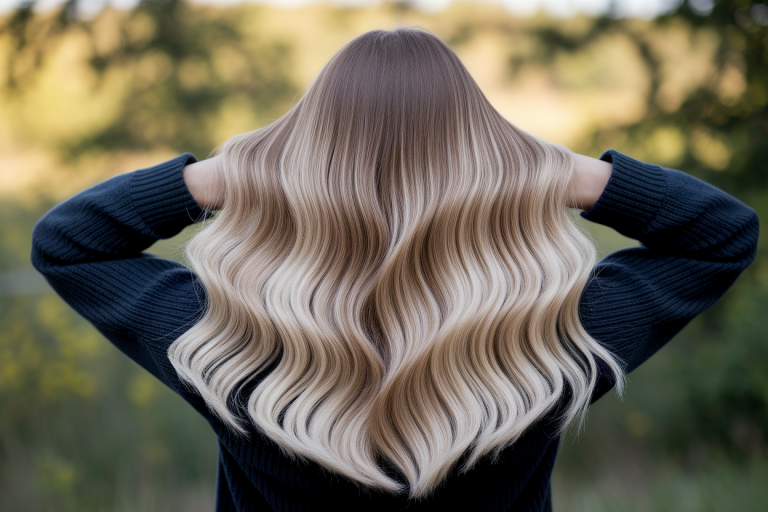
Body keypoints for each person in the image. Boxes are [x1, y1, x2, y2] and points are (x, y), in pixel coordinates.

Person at [30, 27, 758, 512]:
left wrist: (242, 170)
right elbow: (719, 234)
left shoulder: (230, 345)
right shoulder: (547, 342)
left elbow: (69, 241)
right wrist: (549, 168)